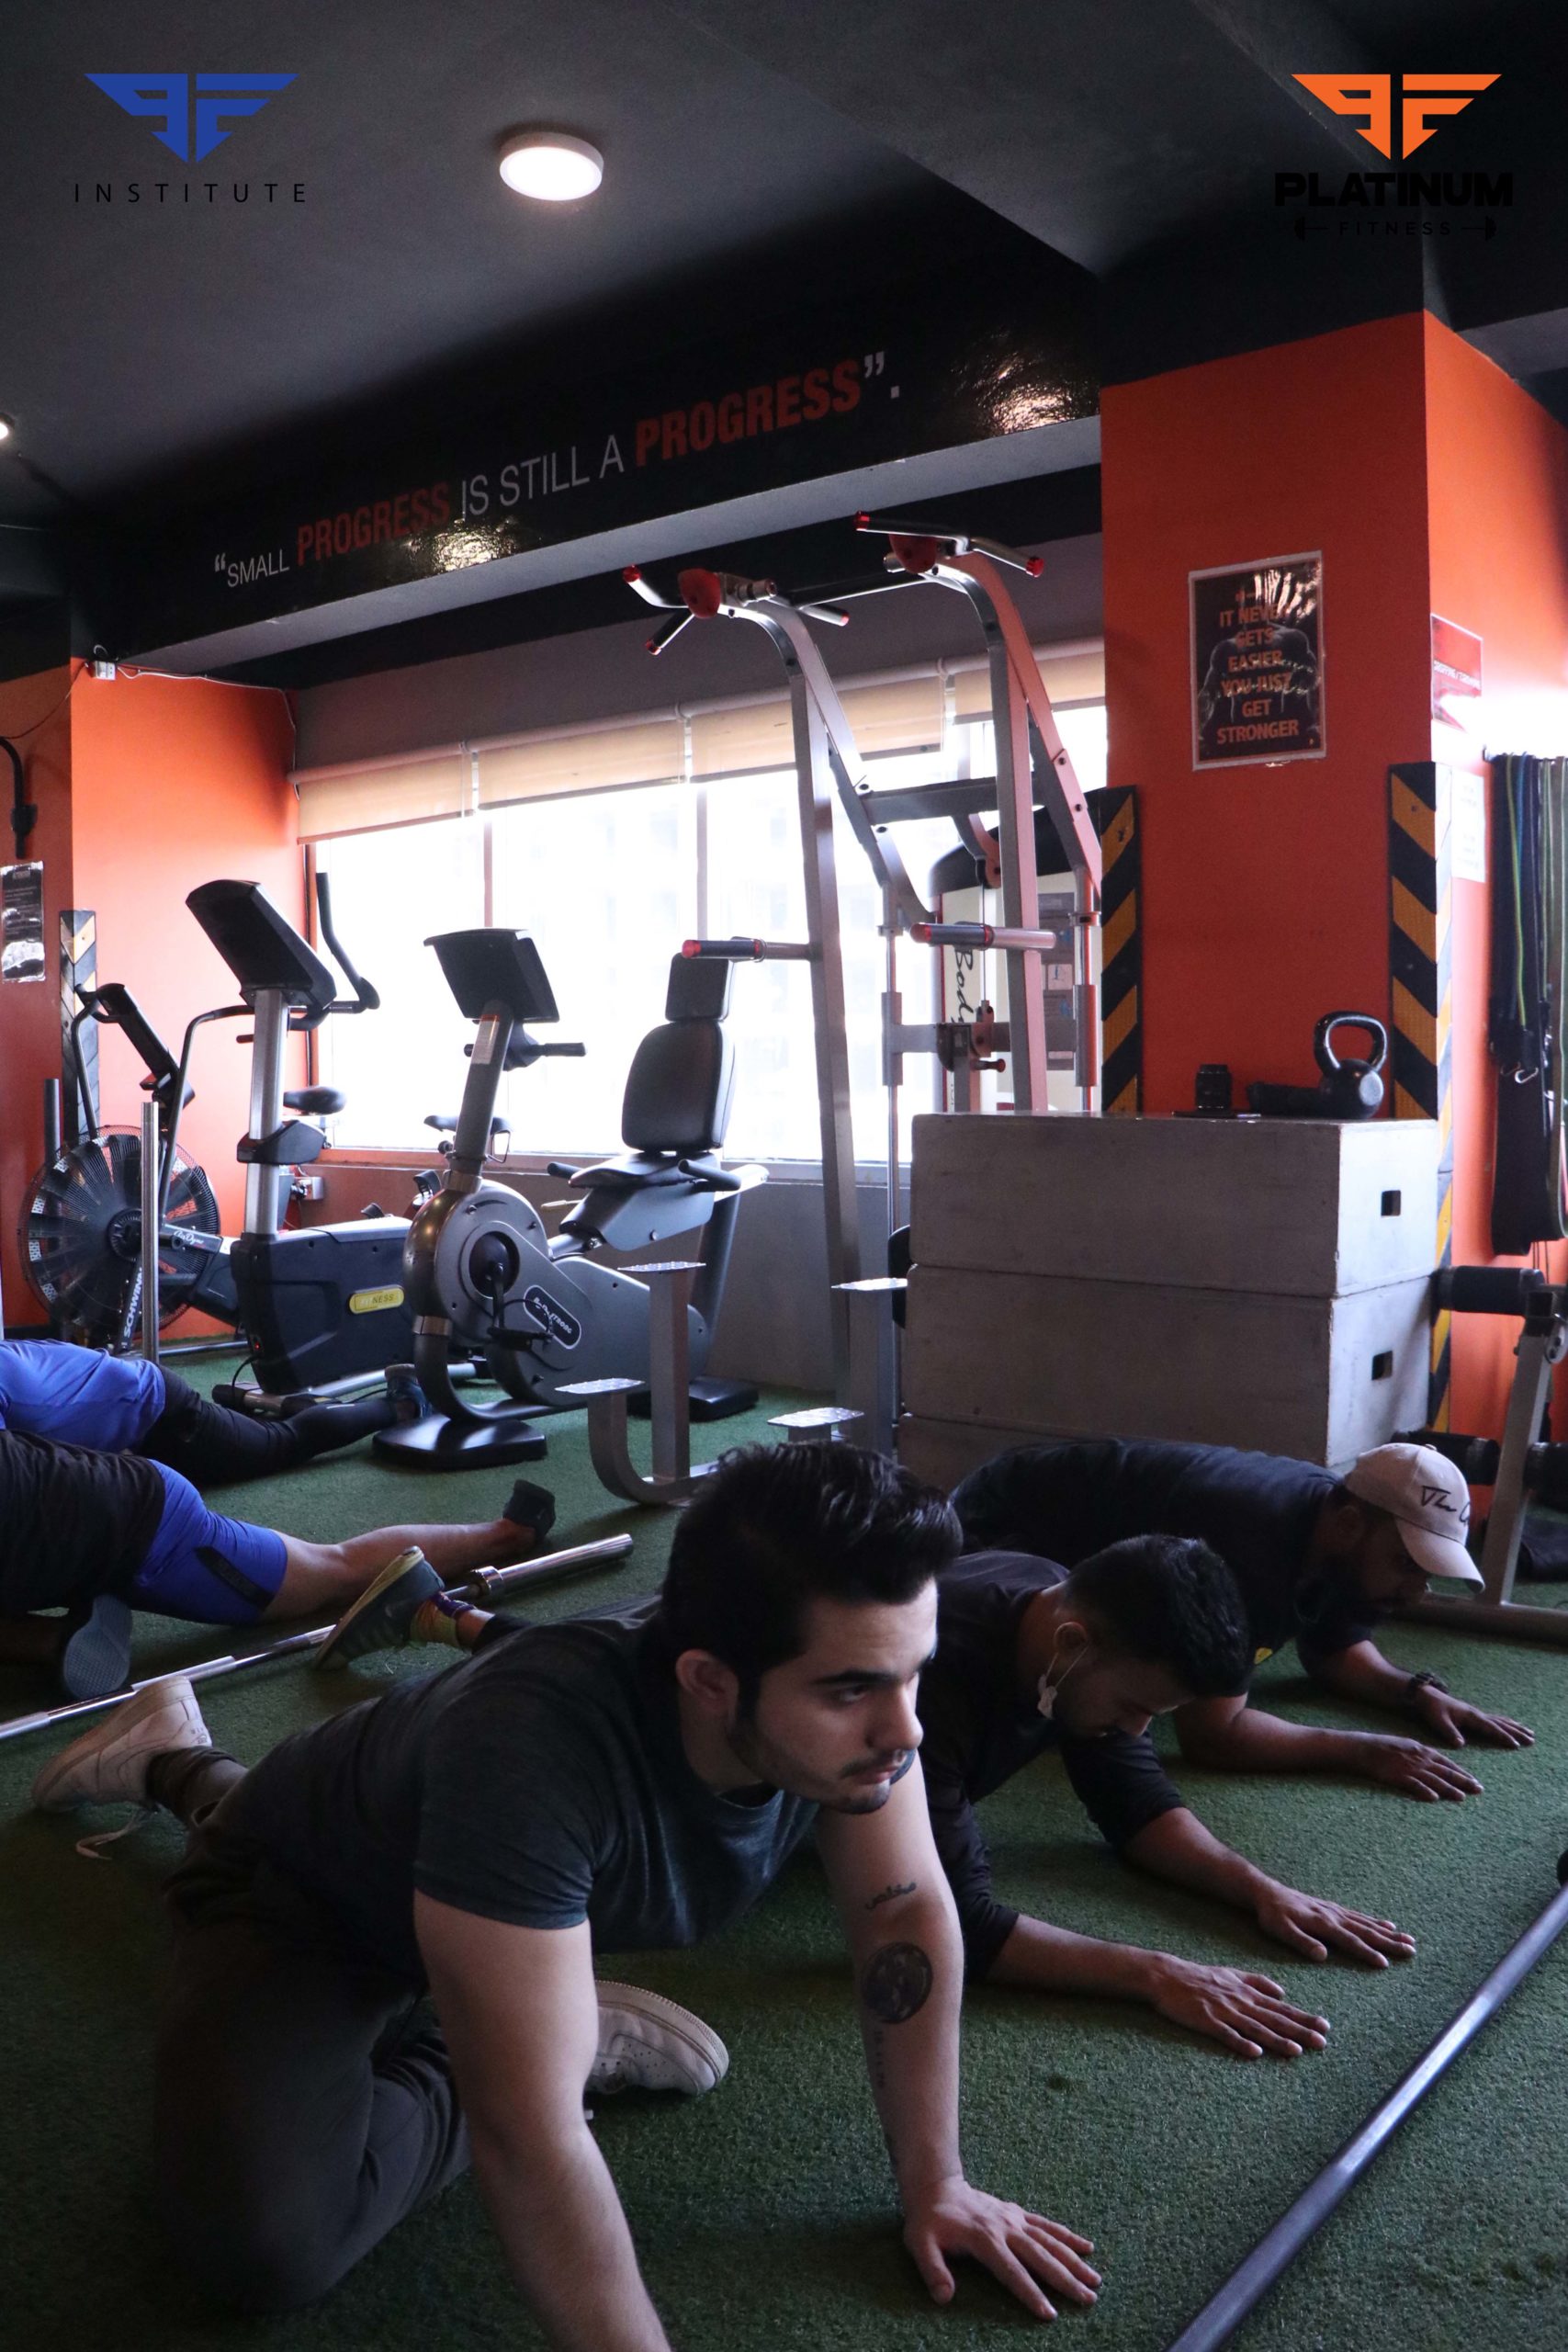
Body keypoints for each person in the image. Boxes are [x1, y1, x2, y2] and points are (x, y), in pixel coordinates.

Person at [34, 1444, 1103, 2339]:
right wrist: (535, 2069)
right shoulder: (530, 1754)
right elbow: (530, 2136)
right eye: (854, 1688)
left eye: (912, 1672)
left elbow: (900, 1913)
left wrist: (937, 2182)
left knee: (475, 1955)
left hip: (452, 1867)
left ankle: (189, 1766)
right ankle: (560, 2027)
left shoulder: (849, 1724)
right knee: (266, 2246)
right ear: (707, 1680)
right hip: (310, 1907)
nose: (906, 1729)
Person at [332, 1532, 1408, 2059]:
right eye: (1135, 1705)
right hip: (702, 1675)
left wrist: (1254, 1888)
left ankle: (446, 1615)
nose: (1137, 1731)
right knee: (656, 1702)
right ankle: (450, 1621)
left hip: (703, 1669)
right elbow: (961, 1920)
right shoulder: (937, 1691)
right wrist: (1152, 1971)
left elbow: (1129, 1798)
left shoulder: (1066, 1639)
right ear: (1074, 1645)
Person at [953, 1438, 1533, 1797]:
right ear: (1351, 1525)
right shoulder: (1248, 1547)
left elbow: (1332, 1651)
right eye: (1407, 1565)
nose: (1417, 1592)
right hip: (993, 1531)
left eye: (1427, 1572)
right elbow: (1214, 1737)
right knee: (1035, 1702)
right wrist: (1364, 1751)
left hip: (1047, 1510)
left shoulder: (1340, 1532)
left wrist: (1414, 1693)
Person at [0, 1422, 554, 1699]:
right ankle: (60, 1638)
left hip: (149, 1526)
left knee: (335, 1572)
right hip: (86, 1518)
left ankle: (507, 1535)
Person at [0, 1334, 421, 1483]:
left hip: (163, 1415)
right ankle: (275, 1405)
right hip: (131, 1413)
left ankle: (401, 1405)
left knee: (280, 1443)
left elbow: (22, 1483)